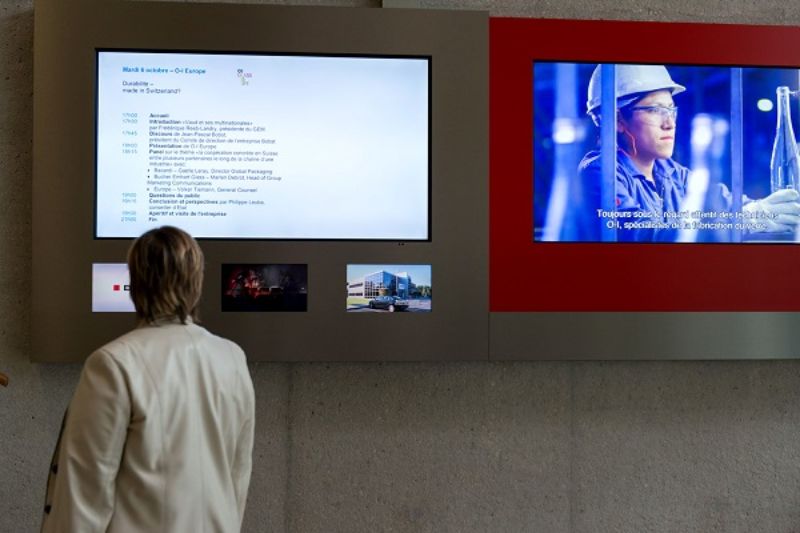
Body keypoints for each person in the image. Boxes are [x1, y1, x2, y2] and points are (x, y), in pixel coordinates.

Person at [41, 226, 255, 533]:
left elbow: (83, 500)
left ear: (136, 282)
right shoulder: (232, 359)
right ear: (196, 281)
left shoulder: (113, 364)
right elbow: (236, 480)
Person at [577, 63, 800, 241]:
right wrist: (741, 222)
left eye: (670, 110)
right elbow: (643, 234)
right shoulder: (599, 173)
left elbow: (727, 204)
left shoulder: (672, 174)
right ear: (617, 119)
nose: (669, 123)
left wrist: (762, 210)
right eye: (655, 110)